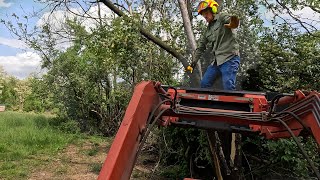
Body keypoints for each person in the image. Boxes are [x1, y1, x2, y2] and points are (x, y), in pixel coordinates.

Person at [187, 0, 240, 90]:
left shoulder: (222, 17)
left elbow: (233, 21)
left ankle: (231, 104)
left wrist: (233, 23)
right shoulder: (208, 31)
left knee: (228, 85)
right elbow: (200, 48)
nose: (205, 16)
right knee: (204, 83)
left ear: (213, 10)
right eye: (203, 15)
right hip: (217, 61)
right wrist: (192, 64)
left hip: (230, 58)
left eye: (206, 13)